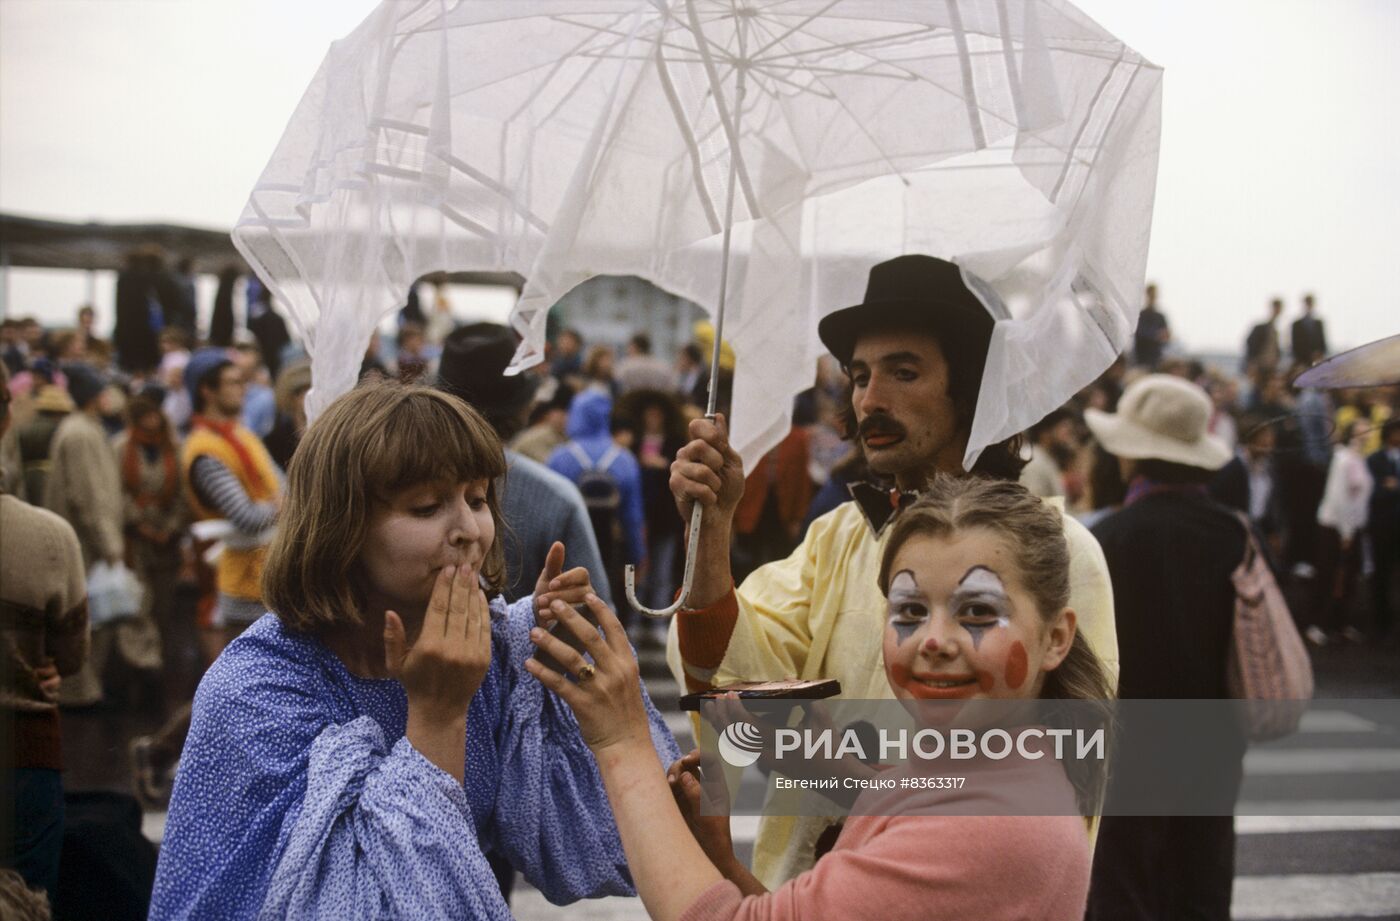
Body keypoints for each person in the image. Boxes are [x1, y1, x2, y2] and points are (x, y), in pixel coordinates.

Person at [665, 254, 1119, 886]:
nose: (870, 399)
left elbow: (1067, 767)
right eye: (858, 376)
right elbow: (737, 679)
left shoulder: (1061, 552)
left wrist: (855, 787)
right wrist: (712, 533)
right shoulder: (836, 537)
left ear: (974, 388)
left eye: (903, 373)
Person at [147, 381, 678, 921]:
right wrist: (437, 715)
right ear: (342, 528)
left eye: (477, 499)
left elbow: (604, 847)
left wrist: (571, 678)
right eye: (426, 507)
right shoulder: (257, 693)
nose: (469, 530)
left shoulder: (489, 649)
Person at [526, 476, 1108, 921]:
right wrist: (725, 864)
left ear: (1056, 637)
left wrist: (621, 740)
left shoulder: (992, 820)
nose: (933, 641)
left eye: (977, 613)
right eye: (908, 611)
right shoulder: (976, 768)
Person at [1083, 374, 1254, 921]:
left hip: (1130, 742)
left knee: (1124, 883)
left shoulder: (1110, 537)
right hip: (1214, 739)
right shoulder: (1235, 535)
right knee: (1201, 880)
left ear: (1132, 457)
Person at [437, 323, 612, 609]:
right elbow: (596, 614)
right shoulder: (556, 497)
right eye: (426, 510)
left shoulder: (400, 487)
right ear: (523, 407)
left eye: (478, 501)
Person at [0, 362, 89, 900]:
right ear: (6, 419)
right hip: (22, 755)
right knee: (26, 902)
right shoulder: (48, 538)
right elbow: (70, 656)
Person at [43, 363, 125, 707]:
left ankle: (85, 689)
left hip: (84, 542)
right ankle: (81, 694)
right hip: (86, 545)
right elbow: (89, 496)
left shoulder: (83, 428)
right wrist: (111, 546)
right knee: (89, 617)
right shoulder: (82, 434)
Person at [547, 389, 646, 605]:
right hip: (611, 550)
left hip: (568, 549)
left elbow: (548, 512)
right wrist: (637, 557)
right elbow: (633, 517)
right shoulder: (624, 459)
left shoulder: (560, 457)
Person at [112, 393, 187, 674]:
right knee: (140, 600)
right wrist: (136, 522)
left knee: (164, 601)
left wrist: (170, 528)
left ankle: (161, 654)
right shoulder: (121, 447)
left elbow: (182, 492)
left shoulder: (173, 447)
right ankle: (142, 660)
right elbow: (116, 489)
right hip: (134, 536)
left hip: (166, 535)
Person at [1309, 420, 1375, 644]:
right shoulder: (1342, 458)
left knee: (1349, 576)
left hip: (1353, 527)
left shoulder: (1359, 459)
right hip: (1335, 526)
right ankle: (1317, 623)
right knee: (1328, 574)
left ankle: (1340, 622)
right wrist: (1345, 531)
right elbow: (1339, 497)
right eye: (1360, 430)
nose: (1365, 433)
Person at [1369, 420, 1400, 643]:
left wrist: (1395, 486)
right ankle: (1381, 621)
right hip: (1383, 526)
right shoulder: (1375, 460)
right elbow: (1372, 493)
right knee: (1382, 574)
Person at [1243, 298, 1284, 378]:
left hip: (1271, 366)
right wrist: (1253, 362)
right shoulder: (1260, 328)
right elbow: (1250, 343)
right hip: (1260, 365)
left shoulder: (1275, 330)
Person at [1132, 282, 1170, 370]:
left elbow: (1166, 336)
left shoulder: (1159, 316)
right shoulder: (1141, 315)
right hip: (1142, 358)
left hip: (1156, 358)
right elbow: (1139, 333)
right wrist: (1156, 335)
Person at [1291, 292, 1328, 367]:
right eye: (1307, 303)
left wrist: (1319, 354)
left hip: (1317, 360)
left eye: (1310, 303)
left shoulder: (1318, 323)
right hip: (1302, 361)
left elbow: (1323, 342)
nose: (1309, 305)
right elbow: (1295, 345)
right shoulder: (1296, 324)